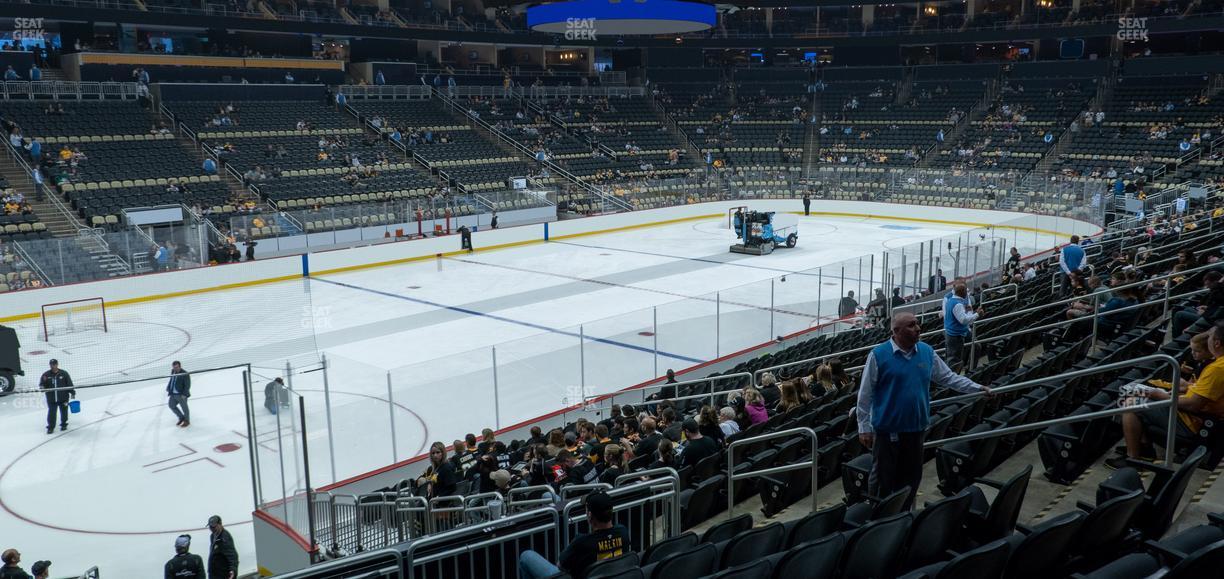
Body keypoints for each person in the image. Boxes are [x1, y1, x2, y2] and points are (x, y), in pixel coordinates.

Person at [856, 312, 990, 508]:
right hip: (887, 431)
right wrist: (863, 426)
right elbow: (865, 394)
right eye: (911, 325)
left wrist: (977, 388)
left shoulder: (927, 352)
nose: (918, 328)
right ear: (896, 331)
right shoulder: (878, 355)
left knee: (911, 479)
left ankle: (905, 517)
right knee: (883, 480)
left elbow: (949, 378)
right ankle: (878, 519)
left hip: (916, 429)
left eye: (917, 324)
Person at [1108, 323, 1224, 469]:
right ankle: (1144, 450)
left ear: (1217, 343)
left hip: (1196, 422)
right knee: (1137, 396)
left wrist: (1159, 395)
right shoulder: (1217, 364)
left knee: (1132, 403)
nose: (1207, 339)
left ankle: (1134, 459)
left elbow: (1194, 405)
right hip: (1203, 417)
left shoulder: (1217, 368)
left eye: (1210, 337)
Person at [517, 491, 629, 579]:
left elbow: (560, 566)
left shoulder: (582, 542)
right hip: (612, 575)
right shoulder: (623, 531)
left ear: (589, 515)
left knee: (526, 556)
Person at [943, 284, 980, 372]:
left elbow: (957, 314)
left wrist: (965, 309)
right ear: (962, 293)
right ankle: (952, 379)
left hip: (960, 332)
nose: (967, 294)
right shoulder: (957, 304)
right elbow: (963, 320)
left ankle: (969, 370)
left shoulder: (952, 300)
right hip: (956, 335)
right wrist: (977, 314)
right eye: (966, 291)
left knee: (976, 346)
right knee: (954, 360)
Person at [40, 359, 75, 434]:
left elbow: (69, 384)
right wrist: (42, 387)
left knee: (64, 411)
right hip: (51, 399)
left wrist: (72, 393)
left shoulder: (64, 373)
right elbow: (42, 384)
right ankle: (51, 427)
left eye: (54, 364)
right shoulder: (46, 375)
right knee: (52, 412)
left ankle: (64, 424)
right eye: (51, 364)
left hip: (63, 398)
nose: (53, 366)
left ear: (57, 364)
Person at [167, 361, 191, 427]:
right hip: (173, 394)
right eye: (174, 367)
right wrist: (169, 387)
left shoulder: (185, 373)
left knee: (184, 408)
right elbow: (171, 380)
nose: (175, 369)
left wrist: (184, 394)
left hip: (181, 395)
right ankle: (181, 417)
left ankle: (187, 421)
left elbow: (187, 385)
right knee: (171, 405)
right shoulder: (173, 371)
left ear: (180, 366)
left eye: (177, 367)